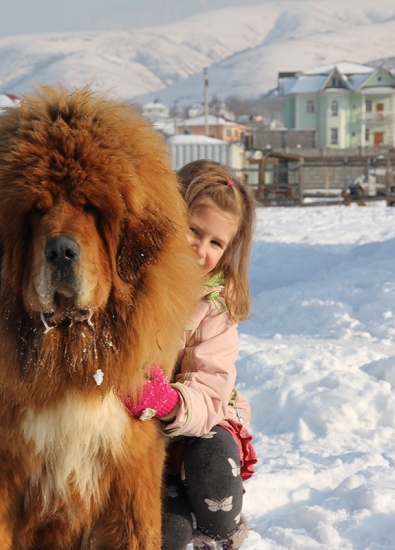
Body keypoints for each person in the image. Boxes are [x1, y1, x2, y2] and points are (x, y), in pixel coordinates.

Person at [126, 160, 258, 550]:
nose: (201, 250)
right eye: (193, 231)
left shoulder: (216, 305)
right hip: (146, 438)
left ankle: (221, 532)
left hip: (200, 424)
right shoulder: (135, 280)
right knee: (167, 533)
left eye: (216, 243)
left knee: (212, 462)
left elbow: (211, 386)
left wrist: (170, 401)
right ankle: (180, 515)